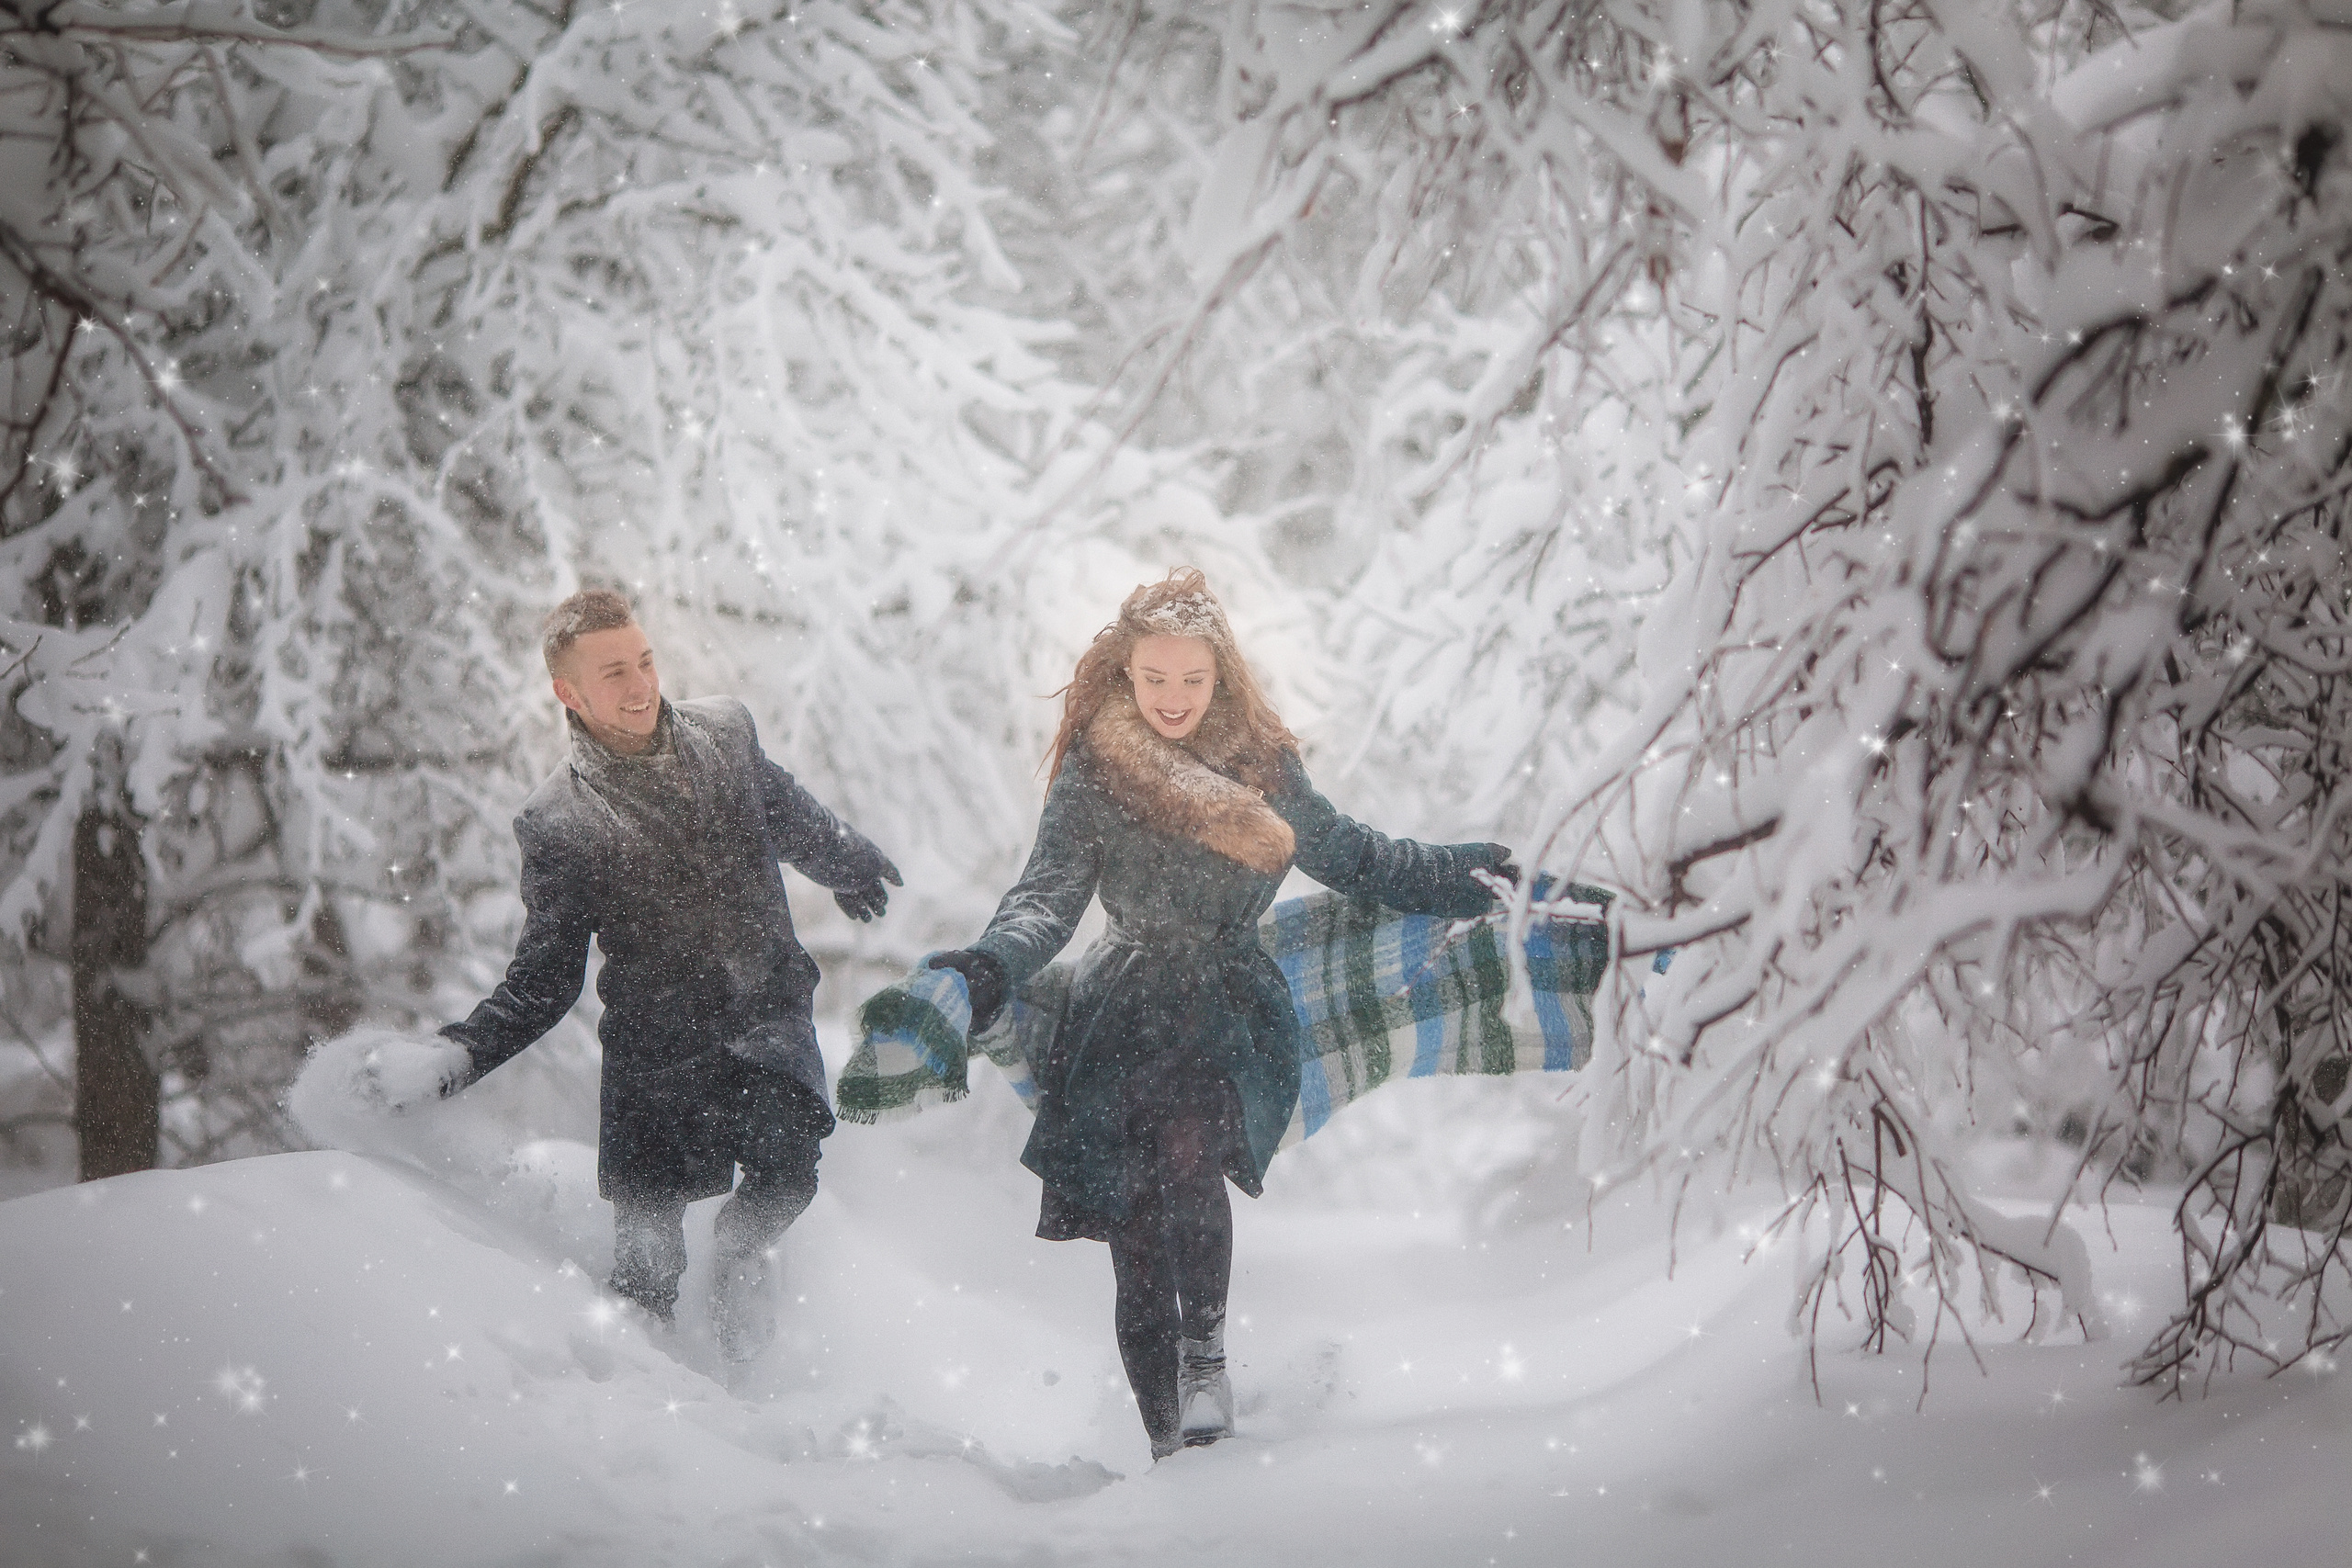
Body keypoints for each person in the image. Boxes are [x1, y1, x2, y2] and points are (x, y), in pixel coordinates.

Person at [927, 569, 1510, 1459]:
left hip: (1227, 1005)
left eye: (1190, 680)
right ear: (1126, 673)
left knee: (1188, 1147)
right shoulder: (1095, 769)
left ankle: (1206, 1358)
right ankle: (1171, 1446)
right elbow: (1046, 899)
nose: (1171, 698)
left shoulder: (1265, 771)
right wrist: (991, 962)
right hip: (1119, 1006)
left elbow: (1354, 855)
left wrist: (1457, 875)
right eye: (1153, 679)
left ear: (1222, 673)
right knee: (1132, 1230)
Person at [362, 587, 899, 1362]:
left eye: (644, 661)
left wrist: (845, 858)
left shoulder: (727, 732)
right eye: (614, 672)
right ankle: (643, 1403)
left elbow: (786, 811)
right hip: (658, 1059)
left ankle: (744, 1291)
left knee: (787, 1173)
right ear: (568, 692)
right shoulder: (558, 823)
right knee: (647, 1266)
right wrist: (456, 1055)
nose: (641, 684)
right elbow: (543, 979)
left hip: (764, 1020)